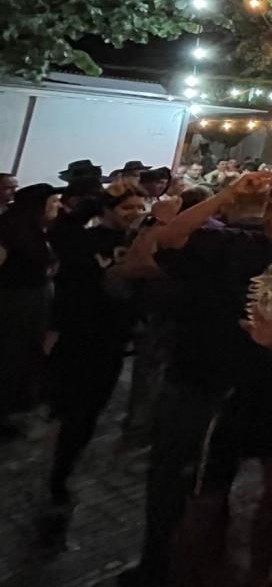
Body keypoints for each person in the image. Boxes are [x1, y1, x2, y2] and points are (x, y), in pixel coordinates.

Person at [123, 173, 272, 587]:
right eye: (271, 208)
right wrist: (227, 194)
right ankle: (197, 569)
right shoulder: (236, 244)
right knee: (208, 492)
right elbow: (169, 238)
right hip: (222, 385)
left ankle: (258, 573)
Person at [42, 181, 151, 538]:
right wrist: (94, 201)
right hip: (79, 337)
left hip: (113, 340)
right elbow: (62, 229)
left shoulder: (138, 244)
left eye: (140, 207)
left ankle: (64, 461)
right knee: (74, 409)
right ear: (107, 211)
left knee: (90, 411)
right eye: (126, 208)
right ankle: (58, 478)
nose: (135, 214)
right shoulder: (85, 241)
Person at [0, 183, 59, 440]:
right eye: (53, 202)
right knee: (7, 358)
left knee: (18, 359)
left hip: (30, 303)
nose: (57, 206)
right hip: (14, 304)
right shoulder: (11, 229)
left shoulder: (36, 230)